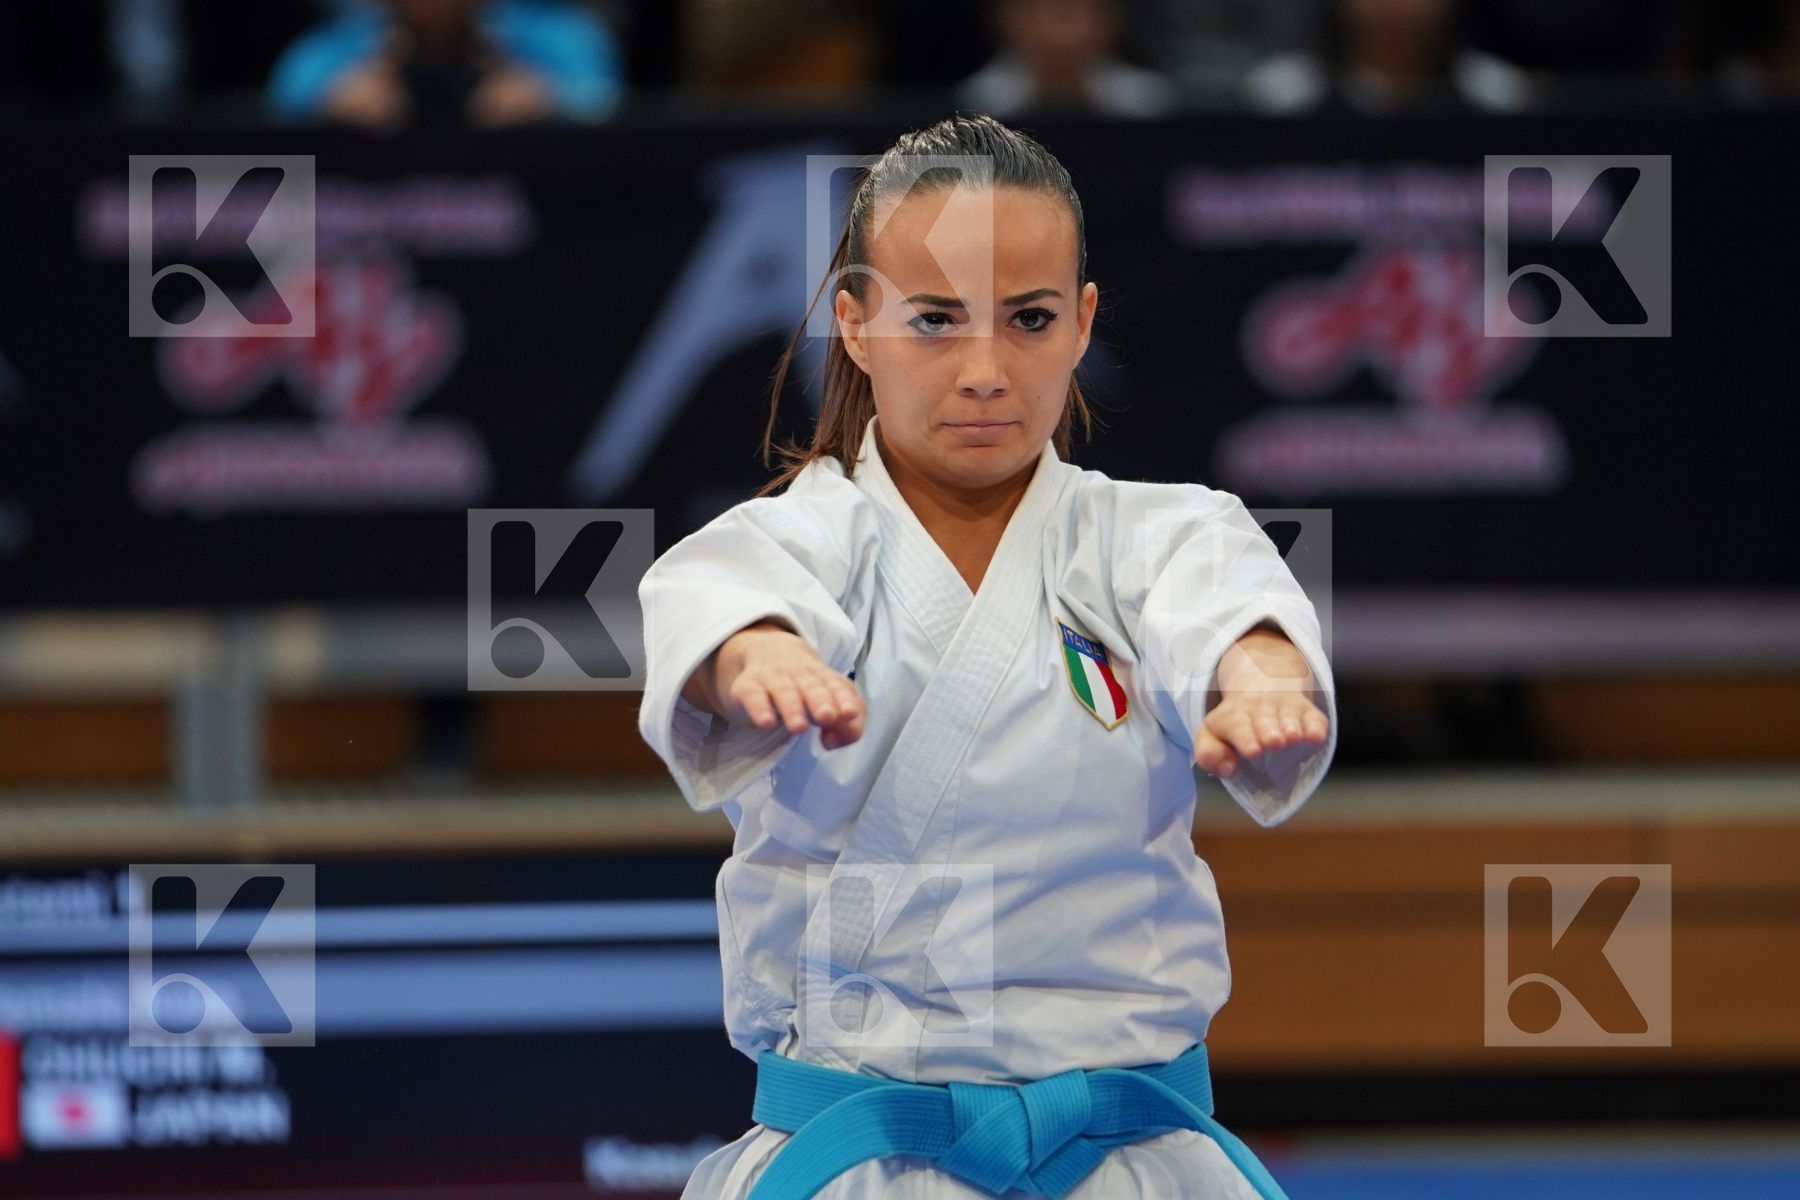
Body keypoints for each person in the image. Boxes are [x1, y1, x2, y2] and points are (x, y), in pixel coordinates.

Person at [637, 113, 1336, 1199]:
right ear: (854, 324)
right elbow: (724, 601)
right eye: (934, 320)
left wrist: (1259, 684)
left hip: (1130, 1159)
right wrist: (757, 659)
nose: (984, 371)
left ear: (1082, 323)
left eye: (1030, 319)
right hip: (864, 1155)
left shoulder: (1159, 534)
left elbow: (1229, 611)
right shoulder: (791, 542)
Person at [265, 0, 624, 131]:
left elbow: (606, 98)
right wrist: (327, 101)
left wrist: (552, 98)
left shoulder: (556, 35)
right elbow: (279, 101)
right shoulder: (339, 45)